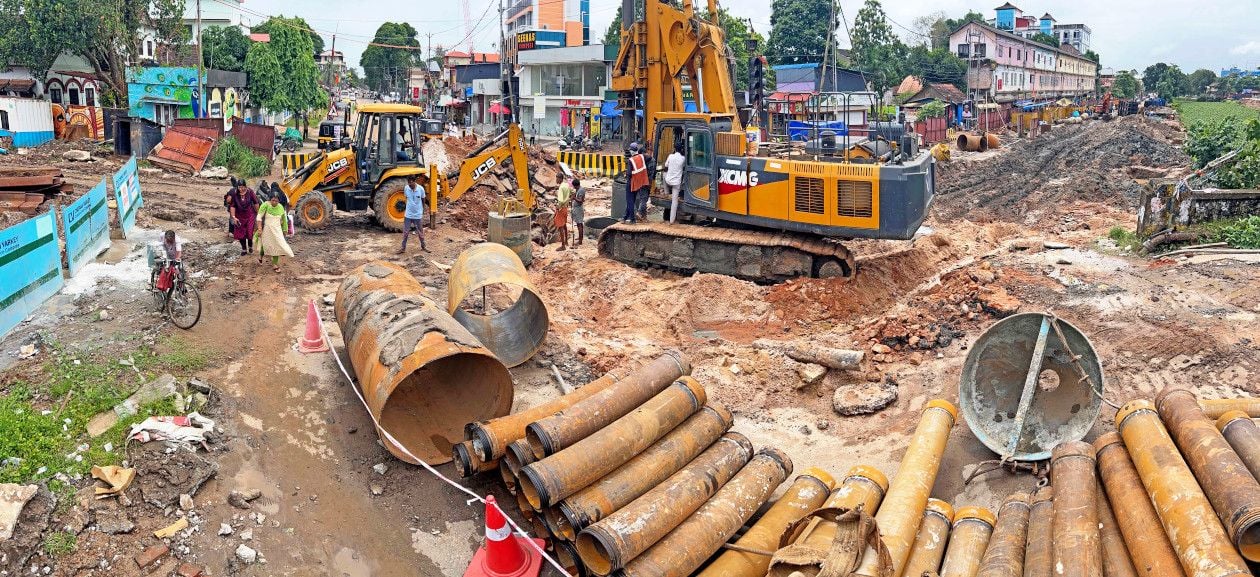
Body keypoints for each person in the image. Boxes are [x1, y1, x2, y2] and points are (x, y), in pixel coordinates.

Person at [254, 195, 293, 272]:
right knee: (265, 245)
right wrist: (259, 229)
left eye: (276, 201)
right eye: (272, 200)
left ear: (278, 201)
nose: (274, 202)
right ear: (270, 200)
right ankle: (260, 257)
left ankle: (275, 264)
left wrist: (285, 230)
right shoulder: (265, 205)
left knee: (276, 246)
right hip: (267, 230)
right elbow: (259, 217)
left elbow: (284, 219)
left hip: (277, 230)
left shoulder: (281, 207)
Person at [397, 174, 429, 253]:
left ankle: (423, 246)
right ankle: (403, 248)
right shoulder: (406, 188)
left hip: (417, 215)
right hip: (408, 215)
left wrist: (422, 210)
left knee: (420, 232)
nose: (409, 185)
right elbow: (407, 198)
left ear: (415, 181)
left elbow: (423, 200)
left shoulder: (421, 189)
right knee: (406, 232)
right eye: (408, 183)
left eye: (411, 183)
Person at [228, 178, 259, 256]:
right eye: (239, 187)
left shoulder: (250, 192)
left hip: (250, 215)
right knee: (241, 233)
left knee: (249, 232)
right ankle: (244, 249)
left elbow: (256, 202)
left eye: (242, 187)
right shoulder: (235, 194)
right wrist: (234, 217)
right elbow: (232, 206)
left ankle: (250, 245)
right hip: (239, 216)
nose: (241, 189)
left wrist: (258, 213)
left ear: (245, 186)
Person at [623, 142, 648, 223]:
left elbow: (629, 173)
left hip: (631, 183)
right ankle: (625, 217)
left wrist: (626, 173)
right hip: (638, 183)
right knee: (632, 200)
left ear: (632, 151)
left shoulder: (631, 160)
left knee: (630, 201)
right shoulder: (641, 156)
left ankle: (632, 219)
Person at [664, 143, 686, 223]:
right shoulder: (683, 158)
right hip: (677, 183)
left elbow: (666, 165)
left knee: (664, 173)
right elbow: (684, 167)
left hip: (668, 181)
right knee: (674, 201)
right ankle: (671, 221)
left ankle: (666, 192)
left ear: (675, 149)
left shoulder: (670, 156)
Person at [637, 142, 655, 221]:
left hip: (641, 181)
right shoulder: (652, 160)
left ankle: (641, 213)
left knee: (642, 198)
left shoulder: (640, 160)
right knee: (645, 198)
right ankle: (642, 215)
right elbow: (652, 172)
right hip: (648, 182)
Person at [554, 173, 572, 251]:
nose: (556, 180)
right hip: (566, 208)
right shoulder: (567, 185)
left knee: (560, 226)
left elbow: (560, 200)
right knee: (564, 224)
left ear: (560, 178)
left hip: (561, 209)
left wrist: (558, 206)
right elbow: (571, 192)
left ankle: (563, 245)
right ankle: (566, 241)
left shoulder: (561, 187)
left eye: (557, 178)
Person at [570, 177, 585, 245]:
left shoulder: (581, 190)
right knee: (579, 224)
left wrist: (574, 198)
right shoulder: (578, 189)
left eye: (574, 186)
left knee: (579, 224)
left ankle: (580, 241)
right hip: (577, 208)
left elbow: (581, 201)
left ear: (576, 185)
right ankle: (580, 237)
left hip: (579, 209)